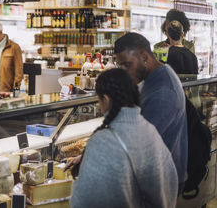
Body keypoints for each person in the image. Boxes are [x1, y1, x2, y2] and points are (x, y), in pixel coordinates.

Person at [70, 68, 178, 208]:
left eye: (99, 99)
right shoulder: (149, 130)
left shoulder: (103, 141)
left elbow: (84, 200)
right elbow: (170, 181)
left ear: (106, 99)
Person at [114, 32, 188, 193]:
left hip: (161, 182)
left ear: (144, 57)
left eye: (127, 65)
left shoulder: (163, 92)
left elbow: (140, 143)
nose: (124, 71)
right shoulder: (154, 76)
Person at [0, 20, 23, 92]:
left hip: (5, 90)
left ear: (0, 33)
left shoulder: (13, 47)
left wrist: (16, 91)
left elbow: (18, 72)